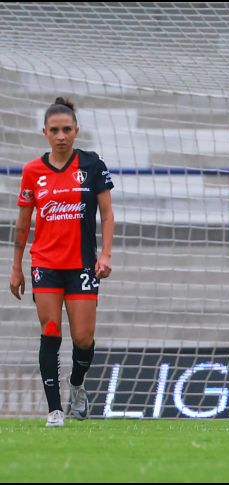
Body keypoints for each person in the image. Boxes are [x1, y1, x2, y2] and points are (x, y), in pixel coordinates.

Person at [10, 97, 115, 427]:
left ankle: (77, 386)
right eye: (54, 130)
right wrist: (15, 267)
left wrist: (106, 254)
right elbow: (23, 223)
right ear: (44, 132)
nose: (60, 136)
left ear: (76, 131)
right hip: (45, 263)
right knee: (50, 330)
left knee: (83, 338)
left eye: (66, 129)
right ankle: (54, 410)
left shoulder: (92, 165)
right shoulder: (32, 172)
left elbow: (108, 214)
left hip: (82, 264)